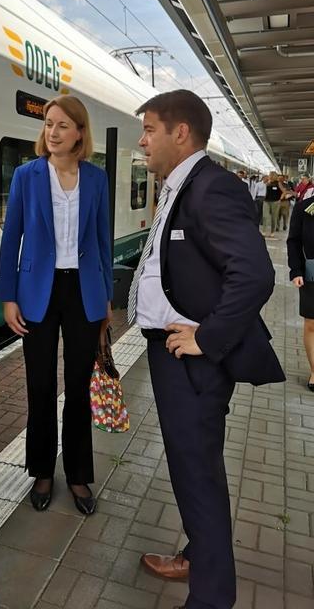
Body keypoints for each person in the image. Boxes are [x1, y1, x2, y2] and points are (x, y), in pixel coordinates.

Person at [126, 90, 284, 609]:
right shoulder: (181, 185)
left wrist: (207, 337)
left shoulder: (211, 188)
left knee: (197, 475)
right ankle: (198, 555)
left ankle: (212, 597)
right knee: (192, 467)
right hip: (173, 352)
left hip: (191, 360)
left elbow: (256, 274)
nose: (142, 140)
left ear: (180, 132)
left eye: (149, 128)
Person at [0, 95, 112, 516]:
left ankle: (78, 474)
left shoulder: (96, 179)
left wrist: (104, 302)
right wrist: (8, 297)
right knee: (40, 385)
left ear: (80, 132)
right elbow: (12, 240)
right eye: (49, 124)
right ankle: (42, 470)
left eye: (63, 125)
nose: (53, 131)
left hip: (82, 292)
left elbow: (101, 242)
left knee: (79, 387)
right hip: (36, 294)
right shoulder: (27, 176)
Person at [287, 185, 314, 392]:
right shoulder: (304, 208)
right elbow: (293, 241)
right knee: (311, 325)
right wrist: (295, 270)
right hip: (311, 275)